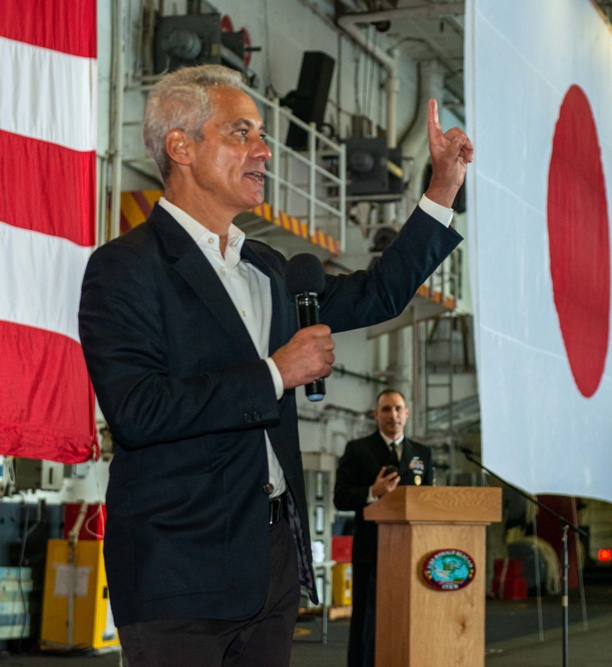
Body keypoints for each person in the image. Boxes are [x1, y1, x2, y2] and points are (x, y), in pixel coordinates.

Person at [78, 64, 471, 666]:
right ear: (181, 146)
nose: (264, 150)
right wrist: (275, 374)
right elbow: (138, 410)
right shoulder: (125, 267)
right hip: (180, 570)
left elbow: (378, 294)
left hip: (272, 565)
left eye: (261, 134)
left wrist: (442, 188)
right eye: (241, 132)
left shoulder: (268, 265)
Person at [333, 389, 433, 667]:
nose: (393, 415)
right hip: (371, 550)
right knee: (366, 620)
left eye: (398, 409)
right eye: (387, 409)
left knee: (406, 616)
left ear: (407, 413)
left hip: (412, 552)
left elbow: (428, 500)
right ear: (376, 414)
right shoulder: (358, 449)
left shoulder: (422, 454)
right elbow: (339, 497)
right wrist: (371, 492)